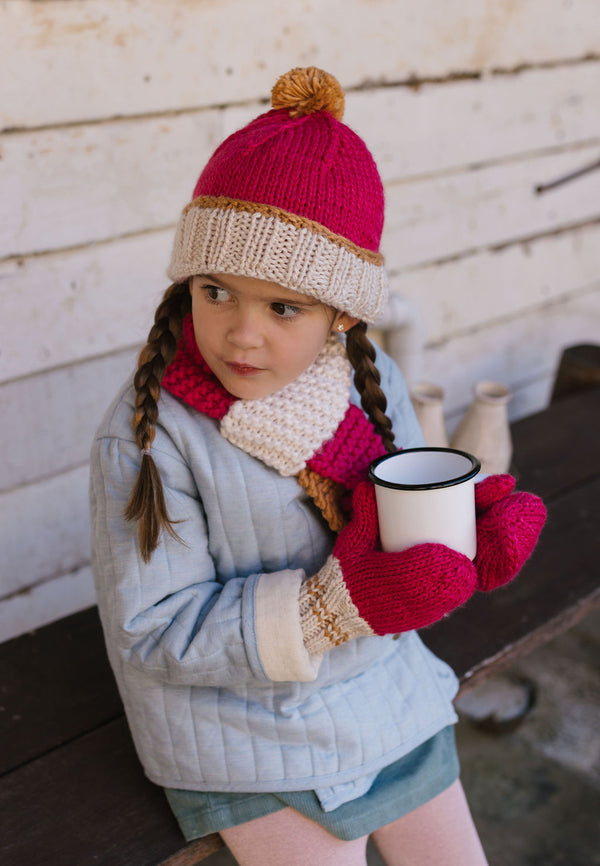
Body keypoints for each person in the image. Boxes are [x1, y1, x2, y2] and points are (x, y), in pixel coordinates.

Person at [90, 67, 546, 866]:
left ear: (342, 313)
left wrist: (464, 534)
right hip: (241, 730)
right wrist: (326, 612)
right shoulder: (149, 437)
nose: (240, 335)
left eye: (283, 307)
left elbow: (397, 522)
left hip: (379, 686)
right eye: (216, 290)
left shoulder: (370, 386)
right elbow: (153, 630)